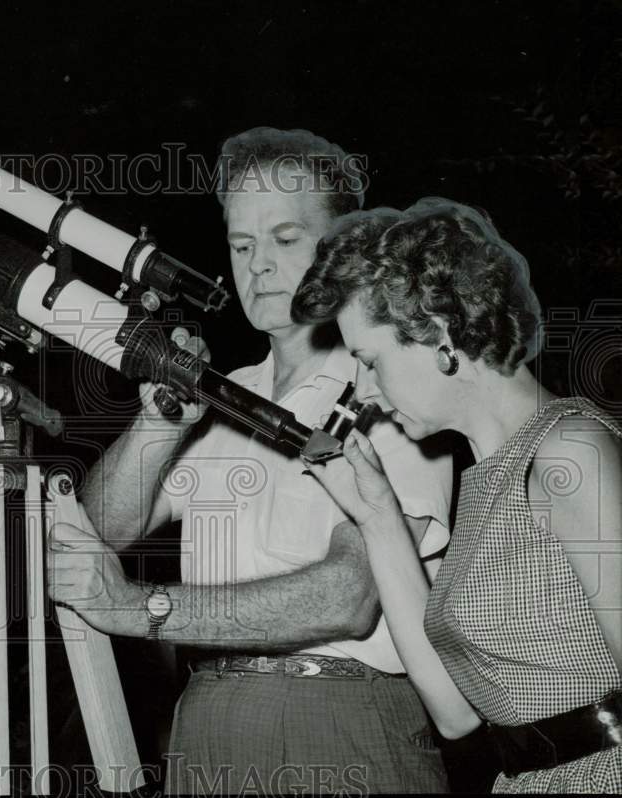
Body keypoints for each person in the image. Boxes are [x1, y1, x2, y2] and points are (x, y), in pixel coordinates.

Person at [46, 128, 455, 794]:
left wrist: (141, 610)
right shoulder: (227, 396)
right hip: (206, 717)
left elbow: (349, 595)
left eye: (286, 240)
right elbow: (95, 533)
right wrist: (157, 423)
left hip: (339, 718)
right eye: (241, 244)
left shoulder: (393, 389)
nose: (256, 265)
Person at [291, 198, 622, 793]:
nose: (361, 391)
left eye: (369, 362)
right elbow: (455, 711)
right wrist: (376, 515)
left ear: (438, 333)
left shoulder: (570, 453)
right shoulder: (485, 482)